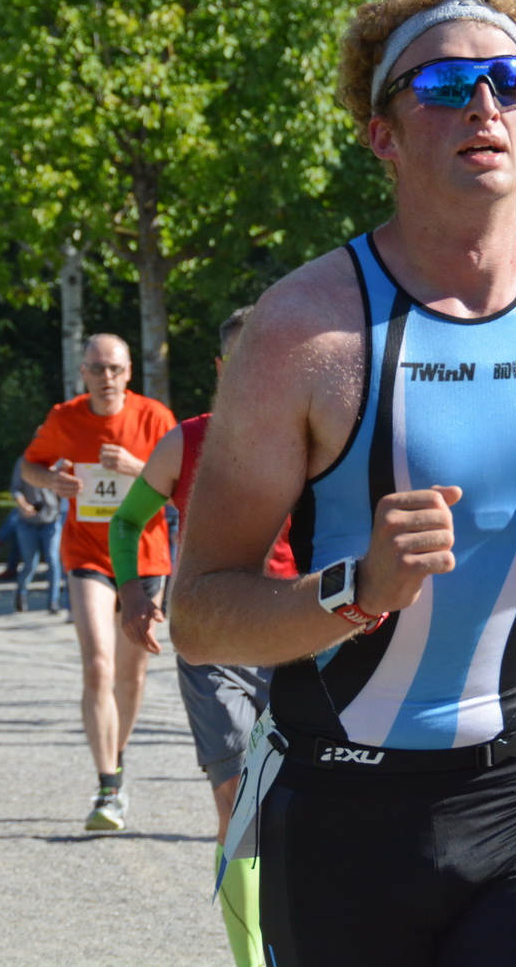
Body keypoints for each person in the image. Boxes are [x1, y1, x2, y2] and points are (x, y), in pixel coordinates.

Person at [169, 0, 516, 966]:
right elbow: (199, 613)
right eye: (443, 84)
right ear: (382, 135)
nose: (483, 102)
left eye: (509, 82)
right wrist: (356, 592)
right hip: (337, 808)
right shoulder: (301, 334)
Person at [109, 306, 290, 967]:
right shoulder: (184, 442)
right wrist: (134, 593)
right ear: (221, 367)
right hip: (212, 645)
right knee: (241, 805)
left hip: (297, 640)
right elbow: (126, 522)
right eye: (244, 360)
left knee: (300, 809)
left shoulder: (315, 439)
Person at [21, 333, 176, 832]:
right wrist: (51, 482)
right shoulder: (64, 418)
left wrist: (138, 468)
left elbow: (185, 485)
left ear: (129, 372)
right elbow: (29, 465)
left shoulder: (155, 418)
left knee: (132, 674)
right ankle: (108, 785)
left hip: (145, 558)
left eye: (115, 368)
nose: (106, 377)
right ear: (82, 372)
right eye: (97, 368)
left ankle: (118, 756)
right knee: (97, 667)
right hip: (88, 553)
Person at [9, 458, 63, 614]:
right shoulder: (24, 462)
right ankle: (21, 593)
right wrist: (24, 505)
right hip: (28, 522)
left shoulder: (57, 460)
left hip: (51, 520)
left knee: (53, 560)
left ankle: (53, 602)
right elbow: (15, 489)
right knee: (30, 562)